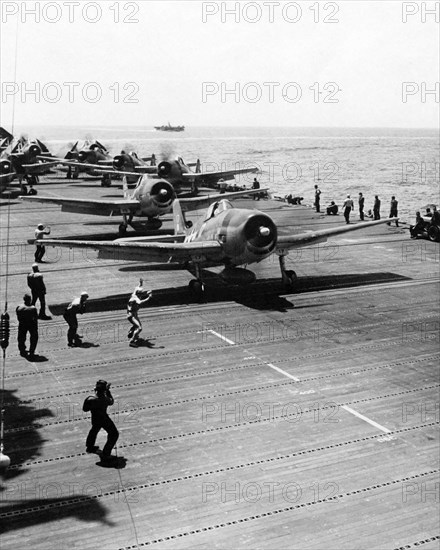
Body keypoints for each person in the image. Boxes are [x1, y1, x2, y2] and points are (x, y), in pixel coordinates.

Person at [83, 379, 119, 462]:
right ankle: (106, 454)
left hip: (95, 418)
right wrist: (108, 391)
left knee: (94, 429)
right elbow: (111, 401)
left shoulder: (90, 399)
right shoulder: (105, 399)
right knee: (114, 434)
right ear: (104, 390)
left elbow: (85, 409)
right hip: (104, 418)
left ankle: (90, 446)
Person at [127, 279, 152, 347]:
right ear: (139, 294)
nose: (142, 295)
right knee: (139, 328)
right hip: (132, 316)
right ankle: (132, 341)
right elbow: (140, 302)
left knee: (136, 325)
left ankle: (131, 332)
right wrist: (148, 297)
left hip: (131, 314)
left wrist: (140, 283)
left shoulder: (134, 294)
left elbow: (137, 287)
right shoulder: (136, 298)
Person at [16, 294, 38, 358]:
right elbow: (36, 317)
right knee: (34, 337)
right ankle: (32, 351)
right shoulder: (33, 308)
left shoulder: (19, 307)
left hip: (22, 323)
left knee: (21, 337)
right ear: (30, 299)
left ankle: (22, 350)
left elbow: (18, 316)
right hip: (31, 324)